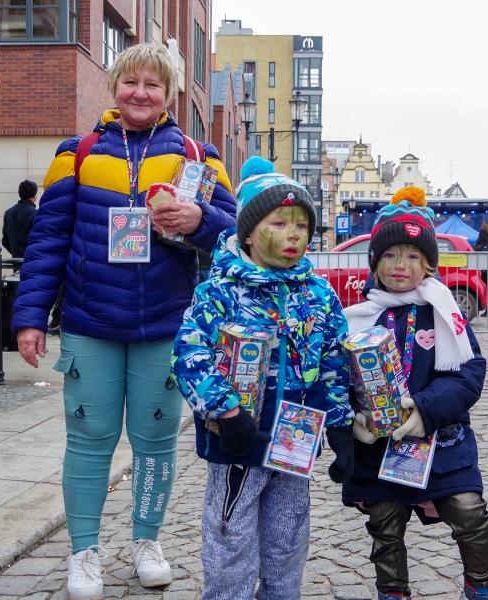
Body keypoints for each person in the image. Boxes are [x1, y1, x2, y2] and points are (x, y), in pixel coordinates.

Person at [11, 43, 237, 600]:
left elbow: (238, 233)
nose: (140, 93)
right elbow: (47, 242)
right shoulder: (78, 153)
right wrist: (30, 317)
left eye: (152, 85)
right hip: (91, 323)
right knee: (88, 441)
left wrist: (200, 218)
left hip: (166, 326)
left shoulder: (197, 155)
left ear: (169, 94)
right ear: (115, 87)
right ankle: (84, 552)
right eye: (130, 82)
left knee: (157, 441)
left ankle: (146, 542)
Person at [171, 157, 354, 600]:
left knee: (288, 540)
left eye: (301, 225)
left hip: (297, 440)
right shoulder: (220, 290)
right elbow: (188, 353)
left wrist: (341, 424)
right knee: (230, 537)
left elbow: (334, 360)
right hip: (239, 439)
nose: (294, 235)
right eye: (280, 223)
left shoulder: (319, 293)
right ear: (248, 231)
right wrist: (226, 412)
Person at [343, 196, 488, 600]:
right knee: (384, 522)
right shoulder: (359, 316)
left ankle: (481, 586)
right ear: (374, 262)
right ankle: (393, 591)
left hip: (441, 439)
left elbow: (469, 373)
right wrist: (356, 417)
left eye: (413, 255)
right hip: (381, 448)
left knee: (469, 510)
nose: (400, 264)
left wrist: (426, 408)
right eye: (390, 254)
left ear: (429, 265)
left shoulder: (444, 313)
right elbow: (340, 378)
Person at [1, 180, 38, 261]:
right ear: (35, 196)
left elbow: (5, 241)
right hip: (33, 262)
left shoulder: (8, 213)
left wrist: (16, 254)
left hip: (16, 262)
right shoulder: (35, 214)